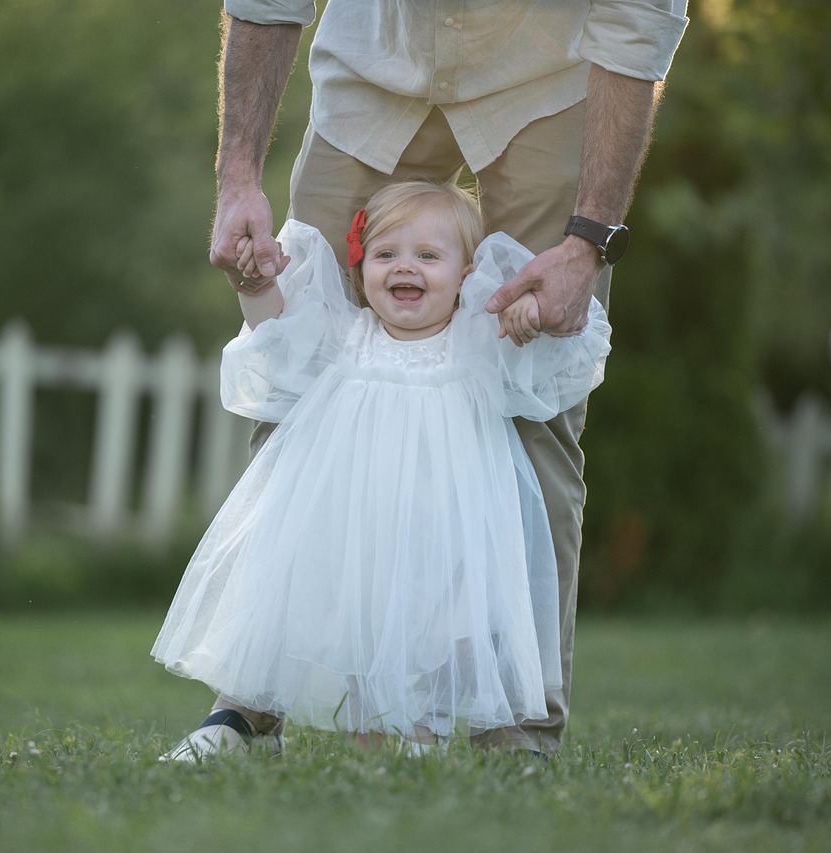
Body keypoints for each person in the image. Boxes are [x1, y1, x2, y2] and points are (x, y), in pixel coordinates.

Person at [197, 0, 689, 756]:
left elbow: (640, 20)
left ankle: (520, 724)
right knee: (301, 375)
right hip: (372, 70)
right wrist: (237, 177)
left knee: (537, 399)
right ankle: (252, 704)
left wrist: (587, 242)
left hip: (543, 78)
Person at [154, 181, 611, 759]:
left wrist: (528, 318)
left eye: (428, 256)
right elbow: (279, 335)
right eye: (387, 254)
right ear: (361, 264)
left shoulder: (475, 339)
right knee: (364, 637)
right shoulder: (347, 337)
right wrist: (256, 285)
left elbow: (553, 364)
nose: (406, 268)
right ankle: (367, 743)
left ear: (468, 275)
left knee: (451, 635)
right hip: (360, 536)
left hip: (449, 537)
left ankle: (432, 734)